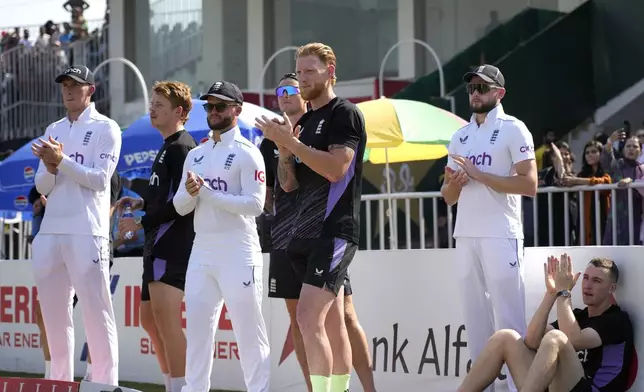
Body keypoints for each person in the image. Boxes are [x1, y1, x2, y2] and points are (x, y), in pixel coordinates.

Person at [256, 42, 367, 392]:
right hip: (300, 235)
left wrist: (293, 144)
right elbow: (288, 185)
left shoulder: (343, 113)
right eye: (298, 71)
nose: (302, 79)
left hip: (334, 230)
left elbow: (336, 169)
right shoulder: (304, 121)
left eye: (309, 71)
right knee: (332, 324)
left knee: (307, 318)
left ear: (330, 71)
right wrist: (284, 148)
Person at [441, 64, 537, 392]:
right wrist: (455, 182)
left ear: (500, 93)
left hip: (500, 233)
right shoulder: (460, 135)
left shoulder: (515, 129)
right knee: (476, 322)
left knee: (510, 321)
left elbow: (529, 185)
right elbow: (448, 197)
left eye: (483, 87)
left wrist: (480, 176)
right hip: (465, 234)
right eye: (471, 88)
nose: (475, 93)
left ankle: (516, 388)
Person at [173, 80, 270, 392]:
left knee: (249, 334)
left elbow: (255, 205)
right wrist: (191, 194)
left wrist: (207, 193)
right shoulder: (196, 154)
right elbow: (180, 206)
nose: (213, 112)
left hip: (239, 252)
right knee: (198, 333)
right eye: (208, 106)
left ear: (236, 111)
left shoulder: (249, 153)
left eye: (220, 106)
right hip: (202, 251)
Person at [30, 65, 121, 385]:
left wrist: (61, 161)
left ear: (90, 90)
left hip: (87, 231)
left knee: (97, 316)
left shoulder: (106, 127)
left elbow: (99, 181)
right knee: (54, 320)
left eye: (75, 85)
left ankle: (105, 386)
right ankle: (59, 383)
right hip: (51, 231)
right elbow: (42, 186)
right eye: (64, 85)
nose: (68, 90)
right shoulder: (53, 128)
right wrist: (51, 165)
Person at [117, 81, 196, 392]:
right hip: (156, 244)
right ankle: (170, 384)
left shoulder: (181, 147)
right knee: (149, 320)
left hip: (172, 244)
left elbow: (183, 203)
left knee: (166, 321)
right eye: (152, 103)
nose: (151, 109)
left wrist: (141, 220)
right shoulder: (167, 145)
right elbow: (165, 194)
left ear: (179, 111)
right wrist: (141, 203)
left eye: (159, 105)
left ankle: (182, 388)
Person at [459, 255, 634, 392]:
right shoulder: (576, 317)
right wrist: (551, 294)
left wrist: (564, 292)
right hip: (559, 387)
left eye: (596, 281)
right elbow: (532, 341)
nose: (587, 285)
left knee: (555, 337)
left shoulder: (618, 320)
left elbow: (573, 340)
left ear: (611, 288)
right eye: (586, 278)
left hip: (591, 389)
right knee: (506, 337)